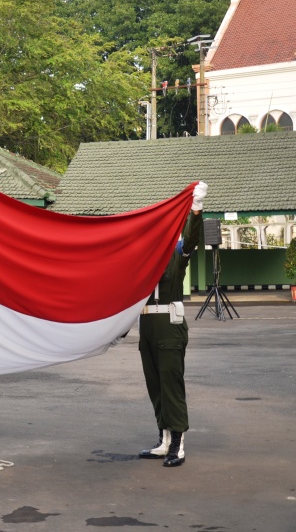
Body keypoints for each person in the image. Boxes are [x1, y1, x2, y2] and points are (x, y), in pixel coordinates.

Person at [137, 181, 207, 468]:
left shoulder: (176, 254)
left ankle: (178, 444)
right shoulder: (141, 259)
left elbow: (190, 240)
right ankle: (164, 438)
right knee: (155, 385)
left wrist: (196, 209)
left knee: (171, 385)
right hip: (147, 328)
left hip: (169, 326)